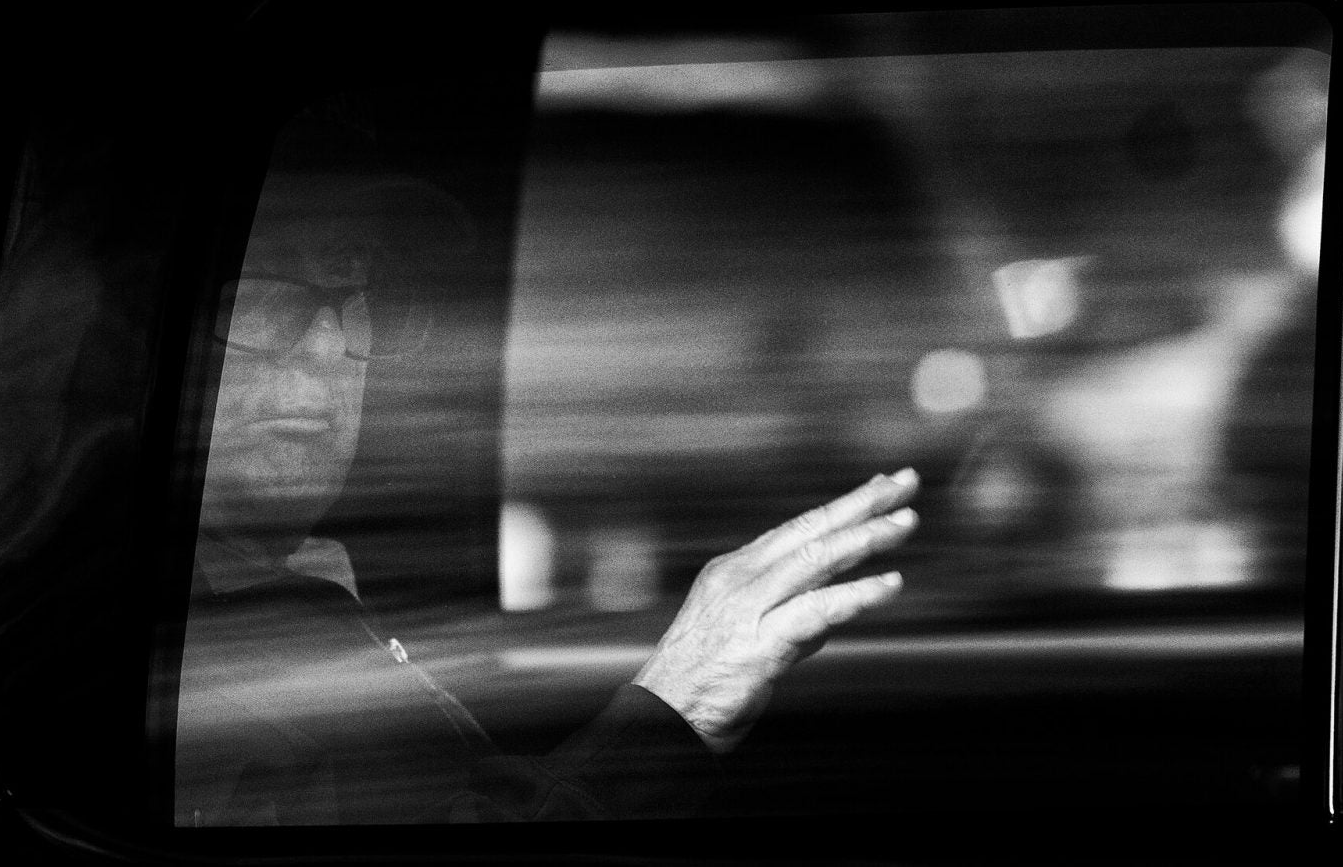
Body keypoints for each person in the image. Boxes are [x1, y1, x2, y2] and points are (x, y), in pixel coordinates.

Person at [173, 168, 920, 825]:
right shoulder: (189, 668)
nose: (329, 346)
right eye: (267, 296)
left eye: (354, 295)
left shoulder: (313, 592)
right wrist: (672, 712)